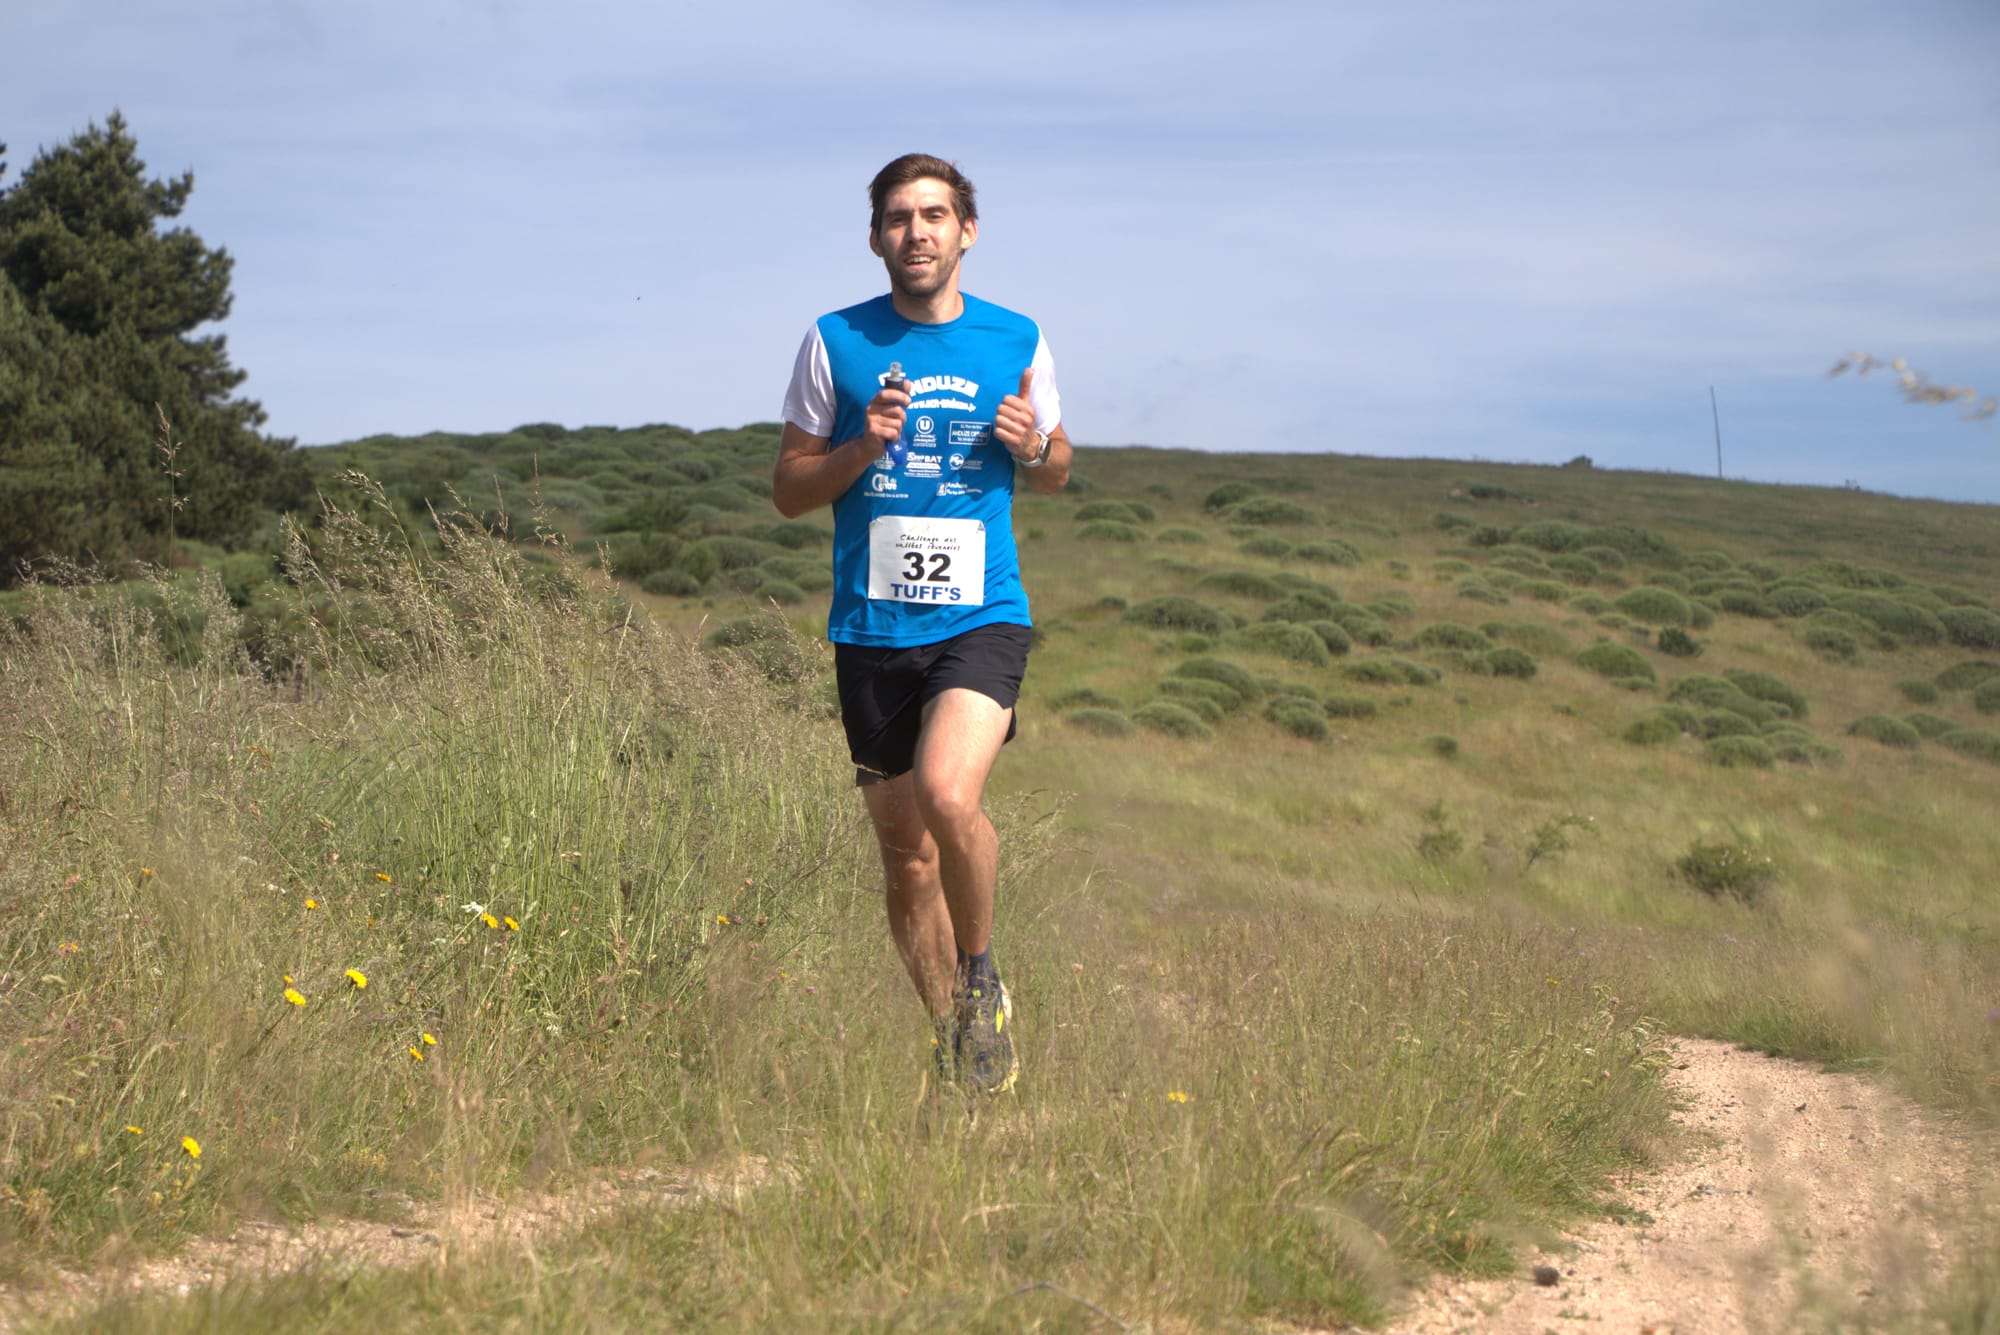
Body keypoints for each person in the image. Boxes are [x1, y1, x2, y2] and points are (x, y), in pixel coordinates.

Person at [772, 153, 1071, 1096]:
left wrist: (1038, 449)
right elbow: (788, 489)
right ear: (875, 238)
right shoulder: (835, 341)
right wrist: (864, 447)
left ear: (967, 231)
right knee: (907, 861)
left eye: (935, 215)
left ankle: (982, 977)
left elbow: (1058, 463)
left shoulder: (1015, 337)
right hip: (871, 628)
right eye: (899, 218)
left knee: (950, 794)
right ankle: (964, 1053)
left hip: (983, 615)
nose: (918, 232)